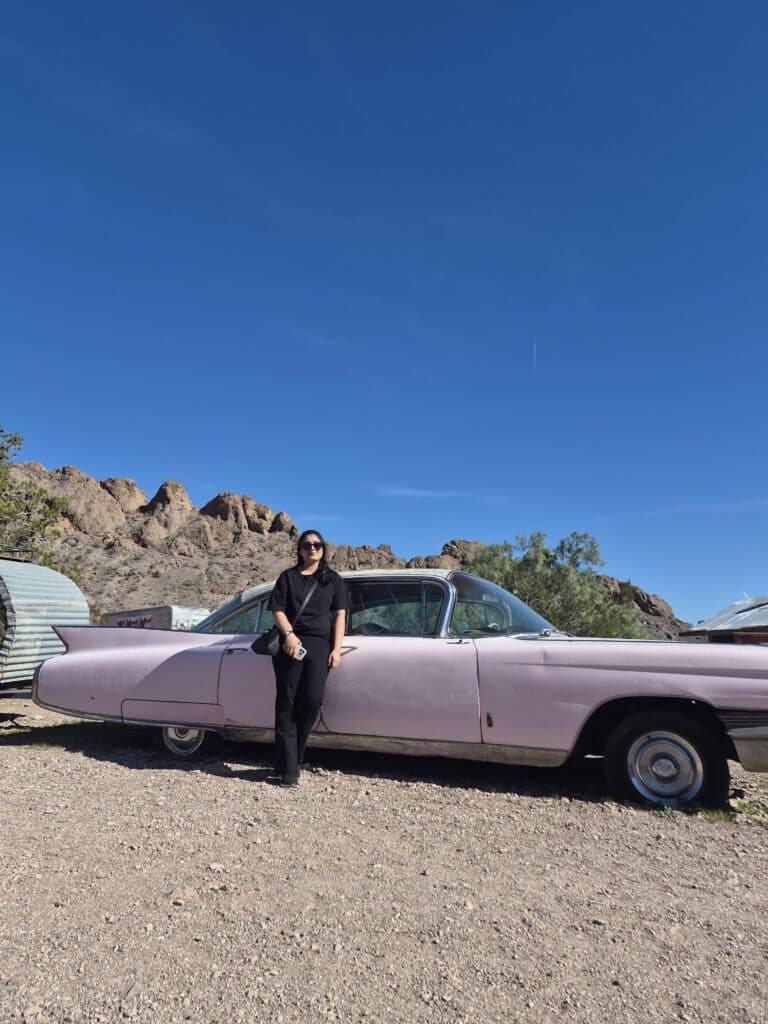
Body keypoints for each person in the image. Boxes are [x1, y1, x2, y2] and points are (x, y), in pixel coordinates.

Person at [268, 530, 348, 787]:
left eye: (316, 545)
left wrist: (336, 649)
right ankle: (290, 772)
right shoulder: (288, 578)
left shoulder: (333, 580)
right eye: (306, 545)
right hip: (290, 644)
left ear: (323, 549)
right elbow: (277, 610)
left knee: (312, 702)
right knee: (287, 704)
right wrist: (289, 635)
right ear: (300, 550)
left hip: (319, 646)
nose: (311, 549)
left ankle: (289, 759)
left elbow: (340, 617)